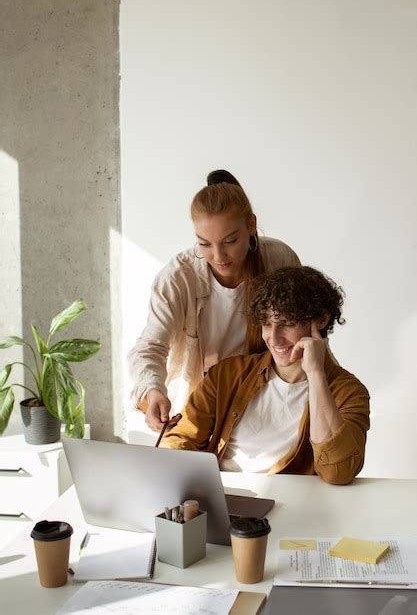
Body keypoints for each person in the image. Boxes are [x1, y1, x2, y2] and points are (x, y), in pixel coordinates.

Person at [161, 266, 370, 485]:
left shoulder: (349, 393)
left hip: (288, 505)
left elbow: (338, 473)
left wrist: (316, 373)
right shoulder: (227, 374)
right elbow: (183, 438)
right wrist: (162, 465)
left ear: (320, 320)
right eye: (267, 324)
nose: (273, 338)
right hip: (222, 496)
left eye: (286, 324)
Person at [128, 170, 300, 431]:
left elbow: (305, 333)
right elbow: (150, 346)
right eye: (204, 243)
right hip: (200, 405)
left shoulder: (280, 261)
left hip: (271, 400)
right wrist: (153, 392)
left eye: (230, 241)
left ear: (252, 225)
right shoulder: (178, 277)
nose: (219, 255)